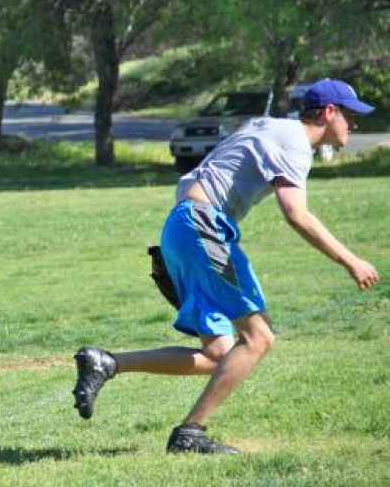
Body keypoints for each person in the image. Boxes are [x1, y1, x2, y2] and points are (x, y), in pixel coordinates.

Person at [72, 79, 380, 454]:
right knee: (259, 337)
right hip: (203, 226)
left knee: (220, 354)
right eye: (350, 115)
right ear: (329, 112)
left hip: (184, 225)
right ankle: (190, 434)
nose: (354, 125)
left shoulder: (271, 125)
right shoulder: (296, 142)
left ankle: (106, 363)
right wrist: (350, 260)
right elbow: (296, 213)